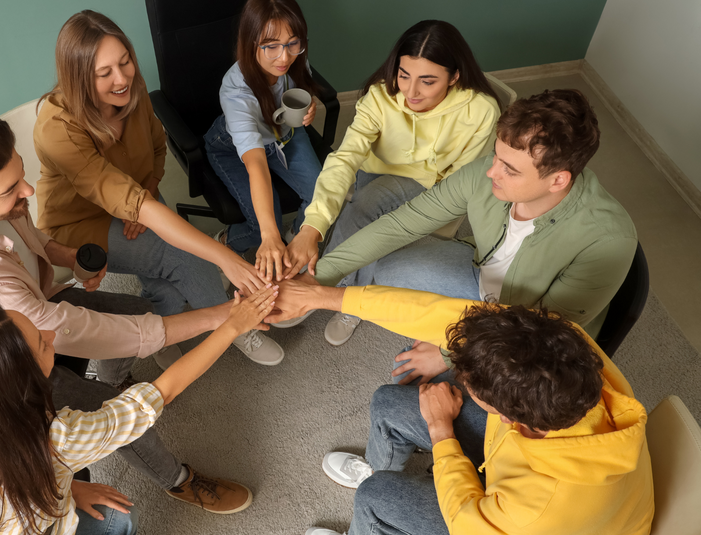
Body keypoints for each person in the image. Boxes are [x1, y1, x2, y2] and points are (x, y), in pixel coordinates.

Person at [0, 110, 252, 512]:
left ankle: (115, 379)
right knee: (126, 422)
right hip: (8, 372)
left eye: (20, 174)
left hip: (30, 314)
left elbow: (34, 244)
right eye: (9, 190)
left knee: (135, 309)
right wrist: (225, 319)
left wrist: (67, 255)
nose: (28, 191)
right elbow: (126, 358)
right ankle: (177, 481)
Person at [264, 283, 653, 535]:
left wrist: (441, 433)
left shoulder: (537, 510)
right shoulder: (569, 348)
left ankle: (372, 523)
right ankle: (384, 466)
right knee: (388, 402)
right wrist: (325, 296)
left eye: (471, 387)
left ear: (508, 416)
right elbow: (436, 311)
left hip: (514, 523)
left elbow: (468, 519)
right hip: (542, 463)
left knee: (375, 496)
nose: (460, 379)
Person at [299, 89, 637, 376]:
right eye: (496, 155)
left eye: (510, 169)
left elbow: (537, 333)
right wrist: (318, 279)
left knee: (432, 401)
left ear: (559, 179)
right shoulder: (487, 172)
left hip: (532, 339)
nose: (491, 171)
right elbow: (403, 223)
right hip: (479, 278)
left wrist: (448, 353)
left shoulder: (607, 241)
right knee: (384, 268)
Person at [33, 10, 283, 366]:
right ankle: (234, 321)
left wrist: (148, 191)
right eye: (105, 73)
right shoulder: (57, 129)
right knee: (188, 257)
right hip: (81, 221)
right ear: (78, 78)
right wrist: (226, 259)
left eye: (125, 62)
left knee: (164, 279)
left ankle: (155, 333)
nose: (122, 79)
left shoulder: (131, 93)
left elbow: (154, 149)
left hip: (139, 193)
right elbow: (119, 195)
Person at [0, 285, 277, 535]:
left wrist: (61, 487)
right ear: (26, 382)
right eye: (42, 342)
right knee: (121, 520)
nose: (52, 334)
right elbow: (163, 391)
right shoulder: (62, 439)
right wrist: (232, 325)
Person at [276, 20, 502, 338]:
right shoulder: (381, 95)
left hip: (430, 185)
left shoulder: (481, 112)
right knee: (335, 207)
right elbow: (346, 158)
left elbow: (459, 184)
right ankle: (324, 278)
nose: (410, 91)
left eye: (427, 81)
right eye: (404, 74)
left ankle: (337, 297)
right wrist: (311, 230)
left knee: (360, 210)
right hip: (374, 167)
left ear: (454, 77)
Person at [203, 0, 322, 282]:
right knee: (264, 226)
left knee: (324, 196)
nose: (284, 57)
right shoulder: (236, 89)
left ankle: (294, 237)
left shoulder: (295, 54)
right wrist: (270, 237)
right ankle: (226, 242)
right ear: (250, 42)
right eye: (271, 46)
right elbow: (256, 163)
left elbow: (303, 84)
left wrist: (311, 103)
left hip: (283, 132)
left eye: (293, 43)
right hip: (234, 148)